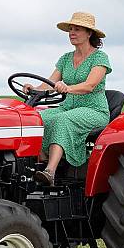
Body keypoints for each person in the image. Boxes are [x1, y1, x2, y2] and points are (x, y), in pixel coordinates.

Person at [24, 11, 112, 186]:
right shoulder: (65, 58)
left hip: (93, 109)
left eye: (77, 29)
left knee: (62, 121)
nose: (72, 33)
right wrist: (34, 88)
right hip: (68, 106)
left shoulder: (100, 57)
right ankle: (33, 165)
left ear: (89, 33)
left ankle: (50, 172)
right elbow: (49, 83)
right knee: (37, 119)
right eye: (71, 29)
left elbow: (90, 85)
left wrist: (68, 88)